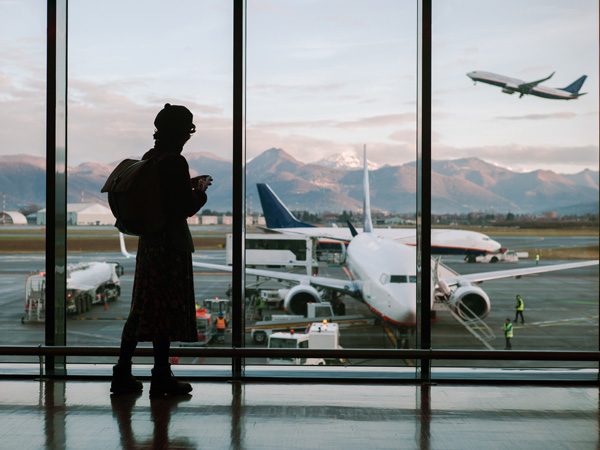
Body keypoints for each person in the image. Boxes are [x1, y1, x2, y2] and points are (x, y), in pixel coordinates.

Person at [111, 103, 211, 396]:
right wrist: (200, 194)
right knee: (165, 313)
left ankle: (122, 372)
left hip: (150, 245)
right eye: (188, 131)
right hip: (170, 246)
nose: (188, 137)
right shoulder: (176, 162)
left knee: (142, 309)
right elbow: (182, 208)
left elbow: (162, 198)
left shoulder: (150, 159)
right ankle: (161, 376)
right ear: (181, 132)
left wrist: (187, 188)